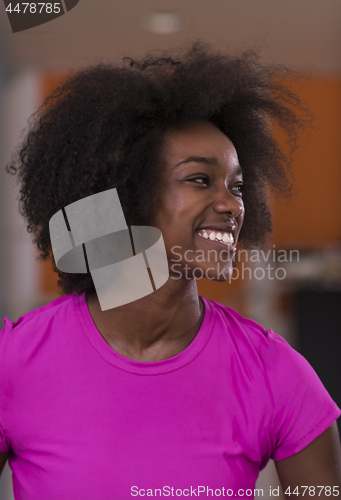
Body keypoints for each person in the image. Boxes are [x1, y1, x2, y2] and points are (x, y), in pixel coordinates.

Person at [0, 42, 340, 500]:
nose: (231, 205)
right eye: (199, 180)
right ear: (127, 196)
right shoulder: (15, 362)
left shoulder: (278, 374)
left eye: (237, 187)